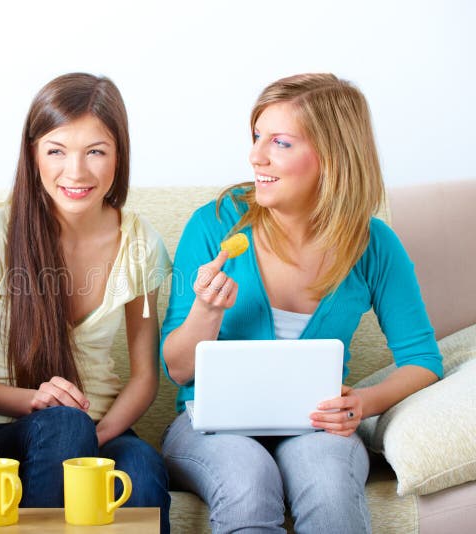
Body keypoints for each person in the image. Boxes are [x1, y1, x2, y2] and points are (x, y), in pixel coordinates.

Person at [160, 73, 443, 534]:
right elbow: (178, 370)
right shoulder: (216, 224)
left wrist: (364, 403)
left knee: (329, 484)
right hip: (209, 428)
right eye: (256, 137)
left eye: (280, 142)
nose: (256, 156)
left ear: (332, 157)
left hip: (316, 427)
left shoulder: (374, 245)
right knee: (248, 481)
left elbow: (423, 359)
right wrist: (206, 312)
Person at [0, 72, 172, 532]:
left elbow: (145, 376)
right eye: (57, 151)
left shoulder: (140, 244)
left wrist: (97, 435)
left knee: (143, 473)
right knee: (66, 423)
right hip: (2, 430)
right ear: (33, 154)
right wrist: (35, 401)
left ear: (119, 156)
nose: (77, 172)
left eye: (96, 152)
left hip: (99, 428)